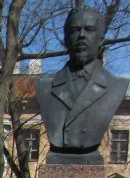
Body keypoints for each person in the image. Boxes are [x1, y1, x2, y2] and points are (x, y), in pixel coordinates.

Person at [36, 8, 130, 163]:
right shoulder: (45, 86)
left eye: (89, 29)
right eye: (75, 30)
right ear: (66, 39)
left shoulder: (116, 86)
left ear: (101, 38)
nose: (81, 35)